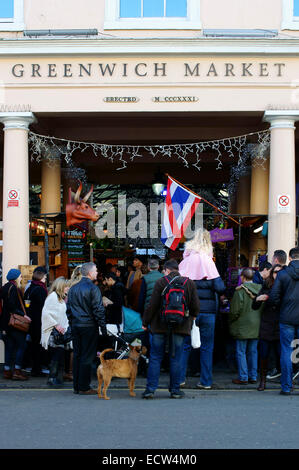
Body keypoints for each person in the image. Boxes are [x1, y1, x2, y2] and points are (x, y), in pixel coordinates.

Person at [142, 259, 200, 399]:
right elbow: (195, 306)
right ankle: (175, 390)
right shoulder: (188, 283)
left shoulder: (161, 282)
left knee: (155, 357)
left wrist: (145, 322)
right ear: (177, 269)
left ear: (166, 270)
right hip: (180, 327)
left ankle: (150, 389)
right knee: (176, 358)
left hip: (160, 326)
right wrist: (192, 316)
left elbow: (152, 305)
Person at [178, 228, 226, 389]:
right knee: (207, 347)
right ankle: (205, 381)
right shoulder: (208, 261)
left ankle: (179, 379)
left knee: (184, 345)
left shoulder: (185, 262)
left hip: (188, 312)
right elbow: (220, 287)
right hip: (208, 313)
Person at [67, 262, 107, 395]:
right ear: (89, 273)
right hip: (89, 325)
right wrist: (103, 326)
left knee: (78, 354)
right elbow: (98, 309)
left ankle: (77, 386)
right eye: (95, 270)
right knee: (87, 356)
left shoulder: (73, 288)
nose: (97, 272)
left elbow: (68, 309)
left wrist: (72, 322)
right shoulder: (93, 288)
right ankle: (84, 386)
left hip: (76, 325)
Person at [269, 247, 299, 395]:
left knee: (286, 351)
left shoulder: (282, 274)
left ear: (290, 258)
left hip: (286, 317)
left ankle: (286, 387)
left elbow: (274, 296)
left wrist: (280, 306)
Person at [229, 268, 263, 385]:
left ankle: (243, 377)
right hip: (256, 325)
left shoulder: (240, 291)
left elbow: (234, 311)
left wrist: (231, 321)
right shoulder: (260, 290)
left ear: (242, 277)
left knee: (241, 352)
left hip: (242, 325)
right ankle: (253, 376)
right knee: (253, 351)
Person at [252, 264, 282, 391]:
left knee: (281, 355)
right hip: (267, 323)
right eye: (275, 272)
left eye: (280, 272)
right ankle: (262, 380)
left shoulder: (286, 286)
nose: (277, 275)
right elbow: (254, 307)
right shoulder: (266, 285)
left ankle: (285, 381)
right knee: (263, 354)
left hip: (281, 323)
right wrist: (258, 299)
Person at [0, 269, 31, 380]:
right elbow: (12, 306)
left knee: (9, 347)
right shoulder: (14, 288)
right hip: (14, 323)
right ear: (16, 277)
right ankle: (17, 371)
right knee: (22, 346)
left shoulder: (4, 288)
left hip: (5, 323)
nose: (21, 278)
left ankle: (7, 371)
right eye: (20, 276)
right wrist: (24, 314)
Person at [41, 276, 70, 387]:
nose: (68, 288)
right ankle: (52, 379)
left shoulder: (60, 298)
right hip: (54, 332)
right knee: (57, 356)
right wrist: (57, 325)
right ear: (60, 286)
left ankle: (58, 378)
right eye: (66, 286)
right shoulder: (53, 297)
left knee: (60, 355)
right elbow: (46, 313)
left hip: (61, 332)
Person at [23, 266, 48, 377]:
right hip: (39, 321)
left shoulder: (30, 287)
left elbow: (26, 304)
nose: (46, 278)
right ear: (41, 276)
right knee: (38, 346)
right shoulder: (40, 289)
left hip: (31, 320)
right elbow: (44, 306)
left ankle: (34, 368)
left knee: (34, 345)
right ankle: (37, 369)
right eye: (45, 276)